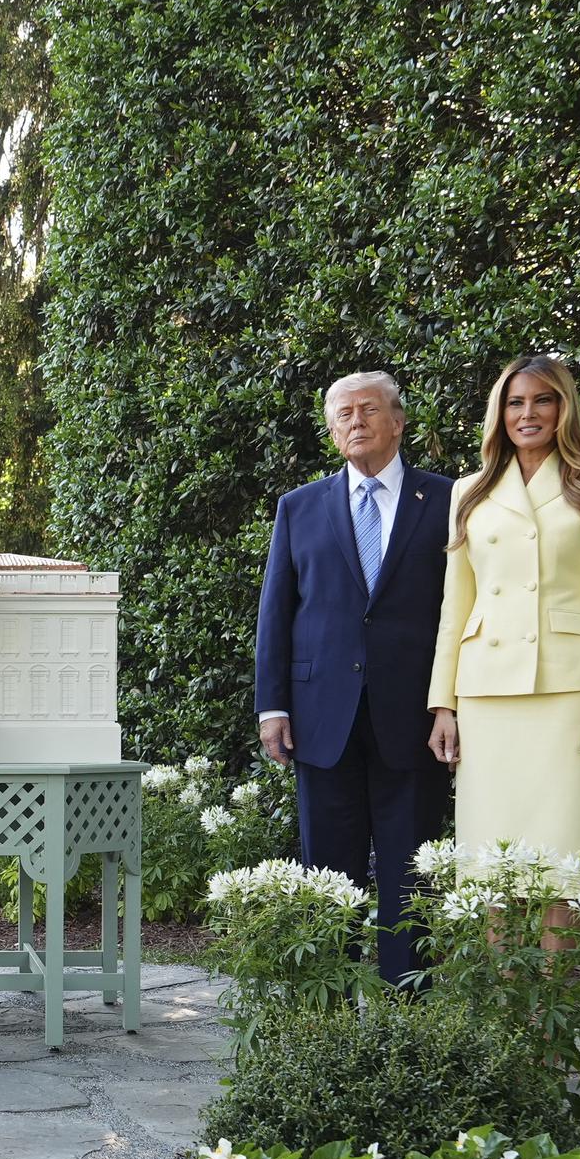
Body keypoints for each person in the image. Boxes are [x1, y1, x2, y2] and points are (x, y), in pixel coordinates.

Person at [255, 371, 455, 984]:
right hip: (321, 717)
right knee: (328, 872)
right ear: (332, 428)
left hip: (414, 715)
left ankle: (407, 1011)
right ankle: (331, 1012)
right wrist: (272, 707)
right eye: (342, 414)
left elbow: (462, 607)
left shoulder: (448, 500)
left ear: (398, 420)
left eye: (369, 409)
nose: (355, 421)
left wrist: (452, 703)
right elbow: (276, 610)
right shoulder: (299, 507)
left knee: (410, 871)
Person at [426, 355, 580, 863]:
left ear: (563, 408)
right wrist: (443, 705)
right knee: (489, 859)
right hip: (485, 691)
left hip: (569, 688)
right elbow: (455, 607)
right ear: (499, 414)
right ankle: (496, 949)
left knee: (566, 853)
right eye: (515, 402)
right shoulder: (467, 491)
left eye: (543, 399)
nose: (528, 413)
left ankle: (558, 948)